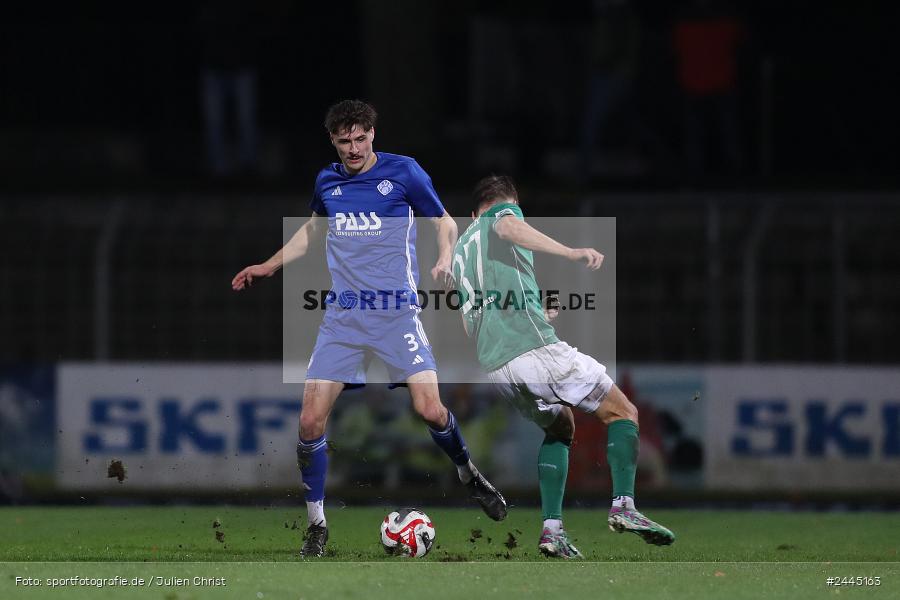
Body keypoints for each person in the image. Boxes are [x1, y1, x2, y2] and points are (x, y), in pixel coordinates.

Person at [232, 100, 507, 557]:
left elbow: (443, 220)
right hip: (343, 316)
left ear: (373, 134)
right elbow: (312, 231)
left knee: (430, 410)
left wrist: (444, 255)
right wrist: (268, 265)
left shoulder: (404, 173)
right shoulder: (328, 181)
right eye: (345, 141)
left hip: (396, 312)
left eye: (361, 138)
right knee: (309, 420)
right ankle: (317, 525)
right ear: (333, 142)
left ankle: (467, 472)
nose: (354, 148)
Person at [451, 174, 674, 558]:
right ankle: (625, 507)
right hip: (531, 349)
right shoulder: (501, 216)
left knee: (561, 428)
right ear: (506, 204)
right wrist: (570, 253)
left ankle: (551, 530)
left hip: (498, 365)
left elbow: (472, 319)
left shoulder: (459, 252)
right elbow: (507, 226)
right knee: (624, 412)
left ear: (471, 213)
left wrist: (537, 311)